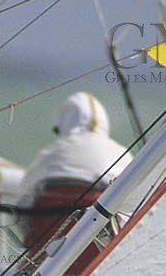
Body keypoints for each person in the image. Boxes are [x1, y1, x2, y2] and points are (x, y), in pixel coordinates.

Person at [17, 91, 132, 253]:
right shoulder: (122, 154)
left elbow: (21, 206)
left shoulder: (49, 154)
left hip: (46, 262)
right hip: (100, 265)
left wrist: (31, 244)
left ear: (64, 124)